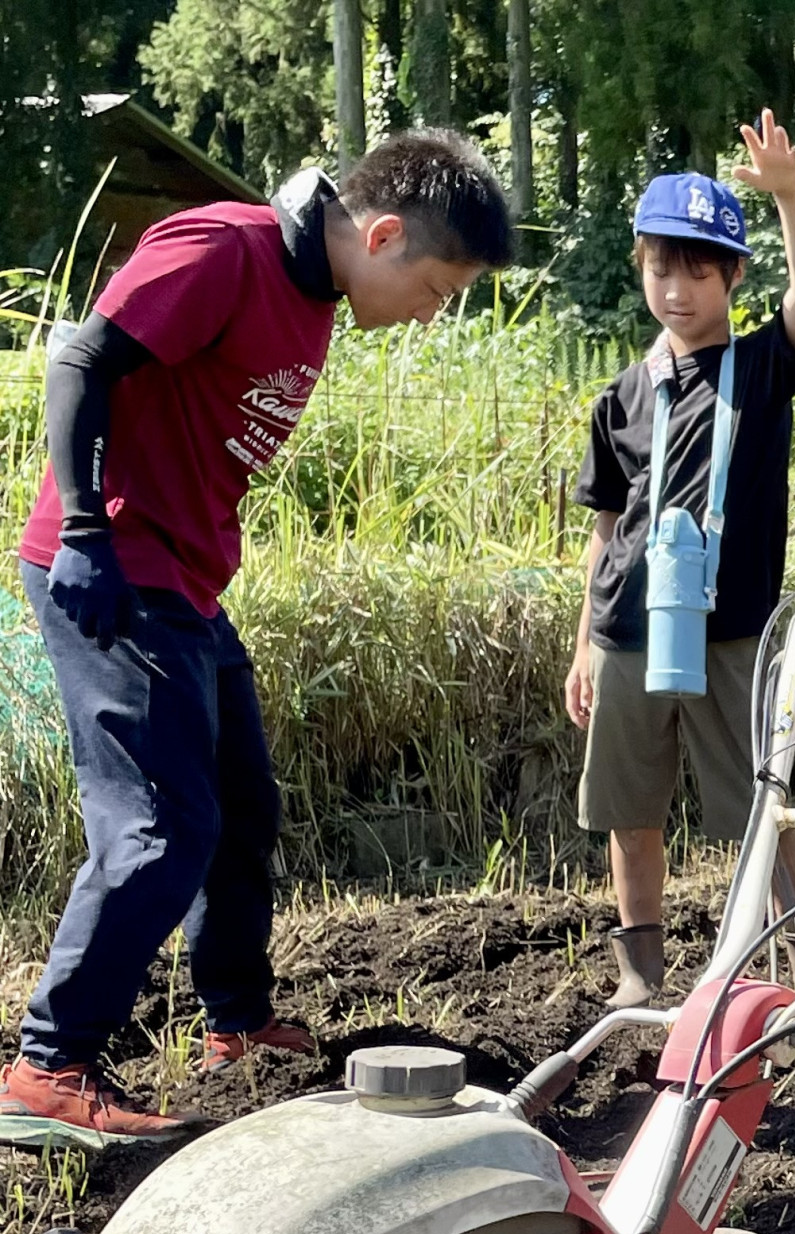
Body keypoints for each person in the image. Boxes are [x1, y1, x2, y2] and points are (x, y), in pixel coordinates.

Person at [2, 132, 515, 1154]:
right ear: (381, 234)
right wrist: (92, 533)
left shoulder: (316, 296)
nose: (433, 312)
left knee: (241, 807)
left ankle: (235, 1022)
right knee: (159, 826)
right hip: (113, 569)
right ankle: (46, 1068)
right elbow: (83, 360)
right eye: (438, 287)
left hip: (185, 584)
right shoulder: (223, 251)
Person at [565, 111, 795, 1009]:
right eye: (659, 268)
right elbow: (605, 529)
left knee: (759, 801)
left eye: (697, 269)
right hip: (629, 631)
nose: (676, 288)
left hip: (731, 633)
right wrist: (584, 648)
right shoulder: (623, 396)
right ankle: (640, 973)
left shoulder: (758, 370)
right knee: (629, 808)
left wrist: (789, 195)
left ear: (730, 277)